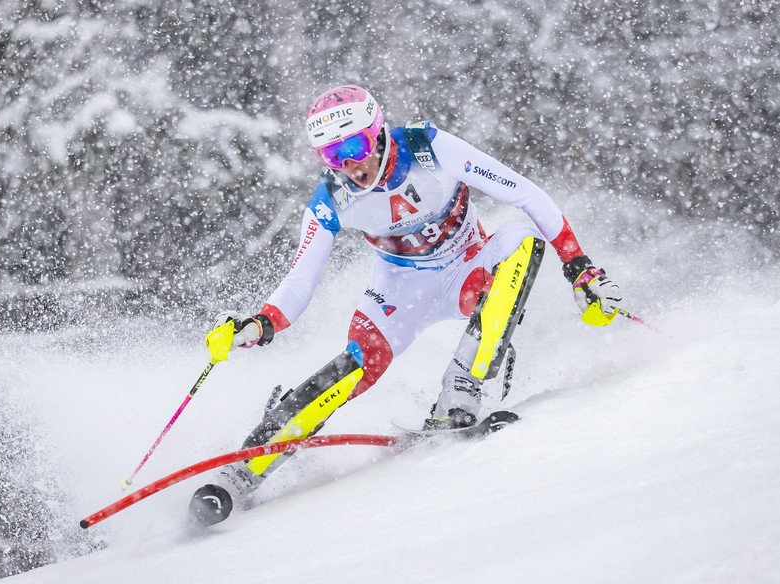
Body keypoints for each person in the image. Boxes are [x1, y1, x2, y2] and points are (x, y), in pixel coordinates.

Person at [189, 84, 622, 525]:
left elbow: (527, 195)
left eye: (355, 146)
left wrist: (580, 268)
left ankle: (460, 397)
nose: (351, 166)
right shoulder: (331, 200)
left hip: (469, 273)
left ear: (378, 132)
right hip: (401, 291)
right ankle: (242, 470)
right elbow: (300, 283)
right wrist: (258, 324)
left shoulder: (430, 149)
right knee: (354, 369)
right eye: (334, 156)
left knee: (522, 241)